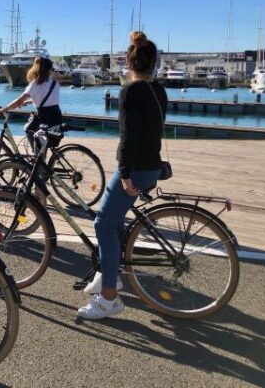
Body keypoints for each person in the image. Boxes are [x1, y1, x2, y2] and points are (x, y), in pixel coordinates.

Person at [78, 31, 167, 320]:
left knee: (103, 223)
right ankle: (109, 275)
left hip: (135, 168)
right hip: (150, 164)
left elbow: (128, 136)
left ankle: (108, 300)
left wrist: (126, 174)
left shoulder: (130, 91)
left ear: (129, 62)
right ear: (153, 63)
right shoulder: (159, 90)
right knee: (114, 221)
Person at [0, 56, 62, 150]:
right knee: (41, 140)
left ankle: (38, 158)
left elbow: (19, 100)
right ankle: (40, 158)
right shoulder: (55, 83)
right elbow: (47, 101)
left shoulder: (35, 84)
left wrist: (3, 109)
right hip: (56, 117)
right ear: (49, 69)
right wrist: (28, 102)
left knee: (28, 129)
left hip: (44, 118)